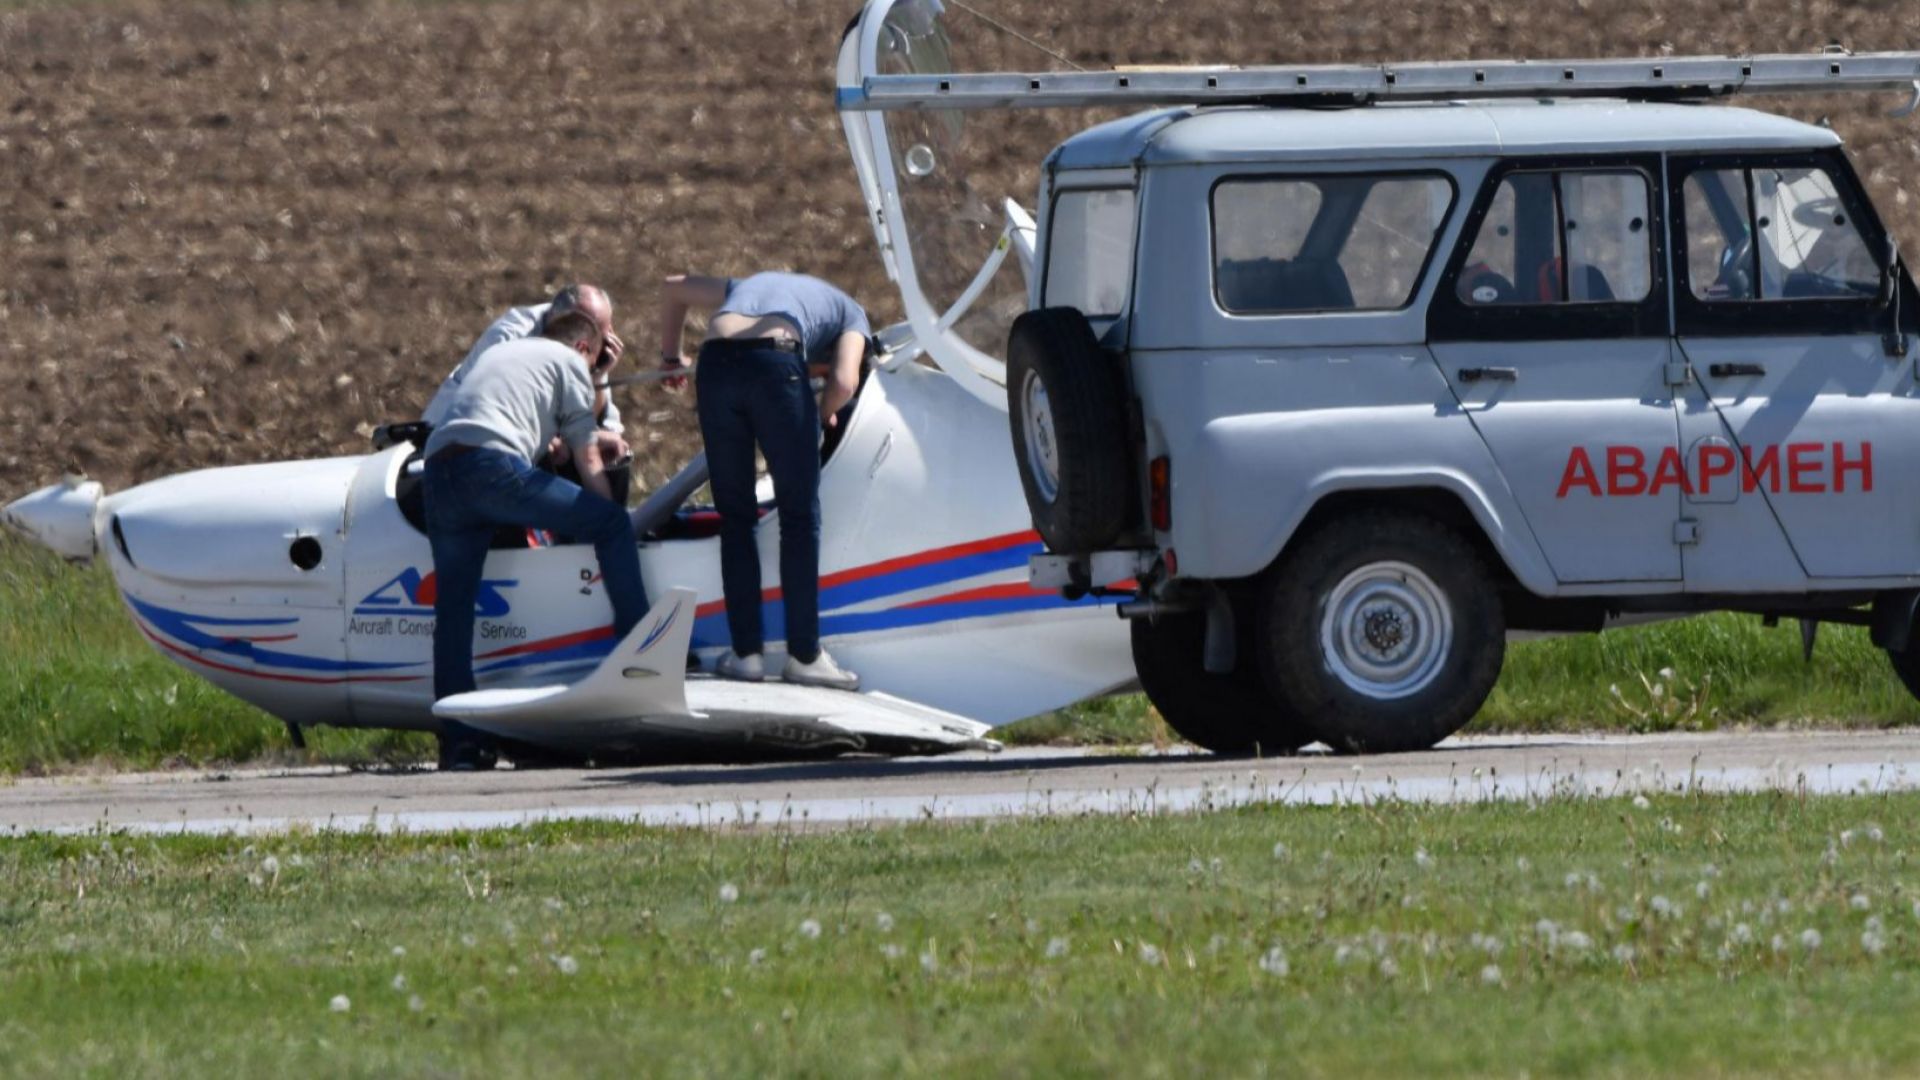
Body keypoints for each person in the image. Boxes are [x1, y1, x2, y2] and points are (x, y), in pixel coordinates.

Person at [422, 309, 650, 770]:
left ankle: (460, 744)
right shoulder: (569, 364)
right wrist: (611, 514)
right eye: (592, 362)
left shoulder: (507, 352)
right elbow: (587, 459)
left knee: (455, 610)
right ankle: (642, 649)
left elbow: (524, 423)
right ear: (583, 348)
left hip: (438, 472)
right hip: (490, 467)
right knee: (610, 525)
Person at [659, 271, 868, 690]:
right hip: (775, 362)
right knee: (799, 516)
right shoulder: (853, 315)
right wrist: (820, 413)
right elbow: (845, 382)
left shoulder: (747, 286)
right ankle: (805, 657)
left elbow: (672, 287)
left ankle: (746, 656)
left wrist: (670, 358)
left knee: (735, 518)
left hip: (714, 362)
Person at [424, 285, 630, 472]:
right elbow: (495, 412)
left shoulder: (592, 343)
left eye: (606, 334)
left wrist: (598, 378)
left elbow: (593, 421)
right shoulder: (509, 339)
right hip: (455, 443)